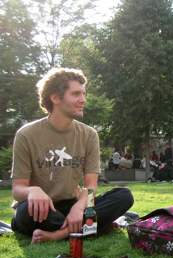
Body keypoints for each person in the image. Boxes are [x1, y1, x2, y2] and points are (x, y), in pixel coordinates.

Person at [10, 68, 134, 244]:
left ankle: (59, 234)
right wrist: (32, 190)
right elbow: (17, 190)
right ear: (55, 98)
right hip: (40, 210)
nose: (83, 100)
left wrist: (79, 206)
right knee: (25, 211)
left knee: (124, 195)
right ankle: (90, 226)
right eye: (75, 94)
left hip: (72, 205)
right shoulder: (26, 134)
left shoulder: (89, 135)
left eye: (83, 94)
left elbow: (90, 186)